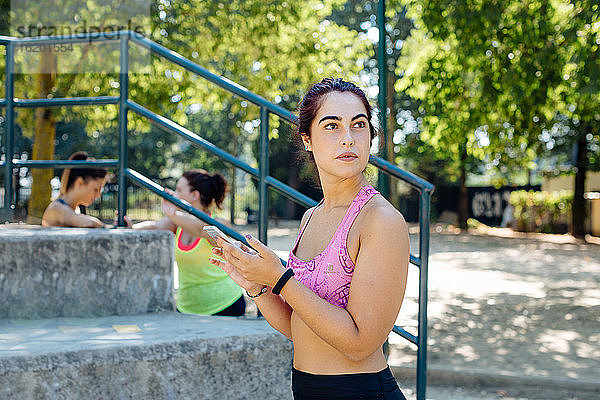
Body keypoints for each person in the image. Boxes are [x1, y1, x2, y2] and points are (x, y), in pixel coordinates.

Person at [210, 78, 409, 399]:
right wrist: (258, 285)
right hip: (305, 388)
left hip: (359, 391)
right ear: (308, 139)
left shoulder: (380, 220)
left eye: (359, 125)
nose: (348, 139)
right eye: (332, 126)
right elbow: (298, 327)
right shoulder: (311, 216)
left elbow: (360, 343)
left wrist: (281, 278)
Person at [125, 169, 246, 317]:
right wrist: (130, 227)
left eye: (179, 190)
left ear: (195, 195)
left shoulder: (218, 224)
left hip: (225, 306)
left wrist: (173, 214)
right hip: (187, 309)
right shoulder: (176, 223)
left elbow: (201, 229)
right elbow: (155, 226)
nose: (174, 194)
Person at [42, 151, 108, 228]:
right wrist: (110, 228)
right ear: (79, 183)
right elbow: (90, 223)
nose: (98, 195)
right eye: (96, 189)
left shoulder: (74, 209)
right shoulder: (57, 209)